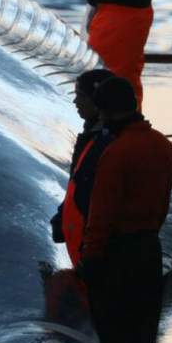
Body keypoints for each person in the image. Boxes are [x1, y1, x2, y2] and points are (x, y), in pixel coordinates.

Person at [78, 77, 172, 343]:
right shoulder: (162, 145)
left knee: (114, 337)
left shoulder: (116, 152)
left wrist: (91, 257)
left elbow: (102, 211)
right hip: (149, 249)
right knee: (142, 335)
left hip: (117, 254)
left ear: (105, 111)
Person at [50, 68, 115, 266]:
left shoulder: (104, 143)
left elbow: (91, 192)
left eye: (80, 96)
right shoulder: (94, 137)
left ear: (97, 101)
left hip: (98, 250)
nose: (75, 102)